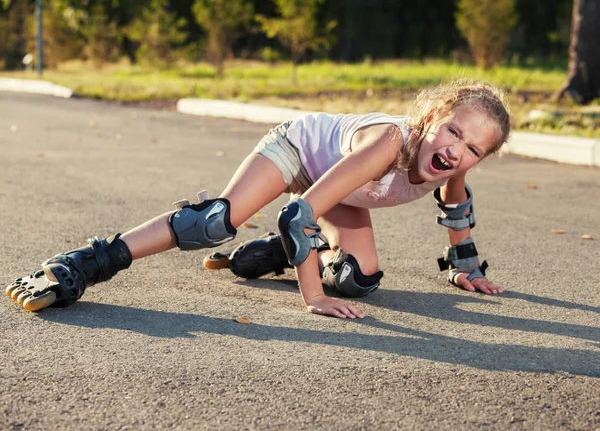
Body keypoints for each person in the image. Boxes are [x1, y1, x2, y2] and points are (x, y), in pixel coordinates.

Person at [6, 78, 510, 319]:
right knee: (213, 223)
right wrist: (314, 298)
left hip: (337, 185)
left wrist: (465, 267)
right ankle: (85, 262)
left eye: (473, 150)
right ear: (429, 118)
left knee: (359, 279)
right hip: (296, 152)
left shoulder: (450, 171)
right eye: (452, 131)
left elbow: (457, 214)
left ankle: (272, 255)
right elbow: (299, 212)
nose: (455, 151)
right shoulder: (387, 144)